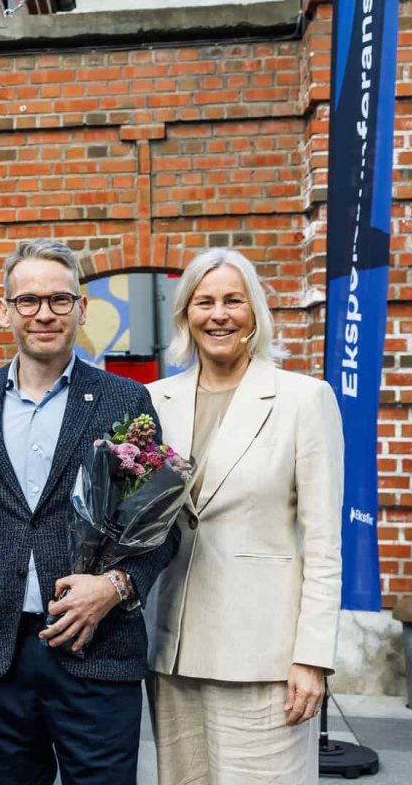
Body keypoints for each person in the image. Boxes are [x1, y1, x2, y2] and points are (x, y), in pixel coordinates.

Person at [0, 238, 180, 785]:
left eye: (59, 299)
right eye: (27, 300)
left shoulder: (125, 400)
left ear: (81, 309)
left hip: (97, 647)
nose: (43, 313)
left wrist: (116, 586)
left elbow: (159, 528)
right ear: (5, 311)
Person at [144, 248, 342, 784]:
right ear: (186, 314)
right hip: (172, 649)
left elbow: (324, 543)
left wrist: (312, 658)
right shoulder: (154, 401)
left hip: (264, 657)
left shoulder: (304, 399)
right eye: (204, 302)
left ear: (254, 310)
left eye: (233, 300)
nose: (219, 315)